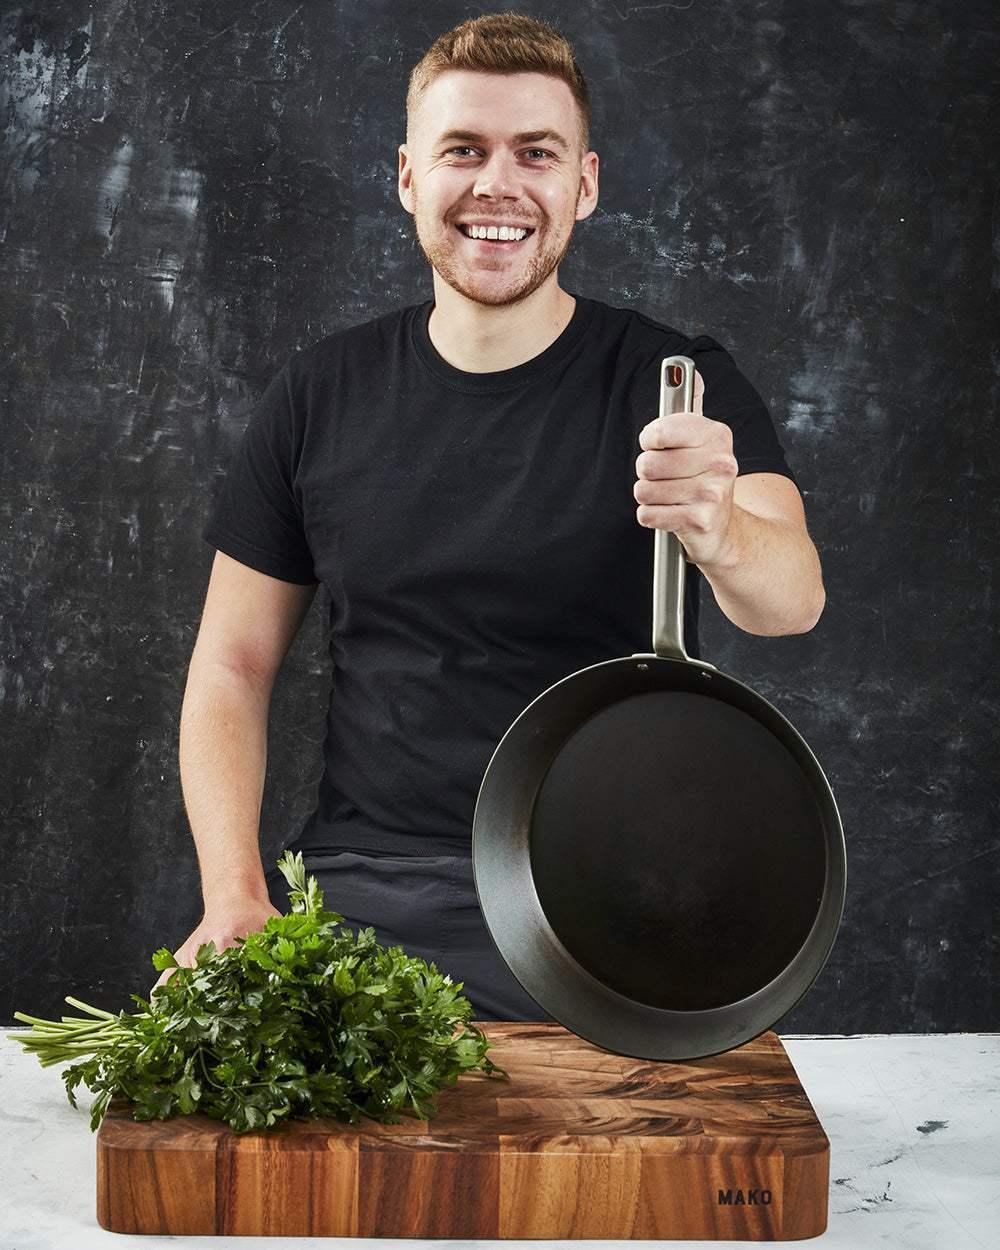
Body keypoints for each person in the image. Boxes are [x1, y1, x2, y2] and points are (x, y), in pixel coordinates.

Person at [151, 13, 825, 1019]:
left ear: (584, 184)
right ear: (409, 178)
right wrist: (236, 894)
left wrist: (719, 525)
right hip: (357, 895)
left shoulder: (676, 383)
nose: (497, 184)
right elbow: (231, 664)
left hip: (599, 901)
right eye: (462, 150)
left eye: (535, 153)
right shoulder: (319, 393)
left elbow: (792, 599)